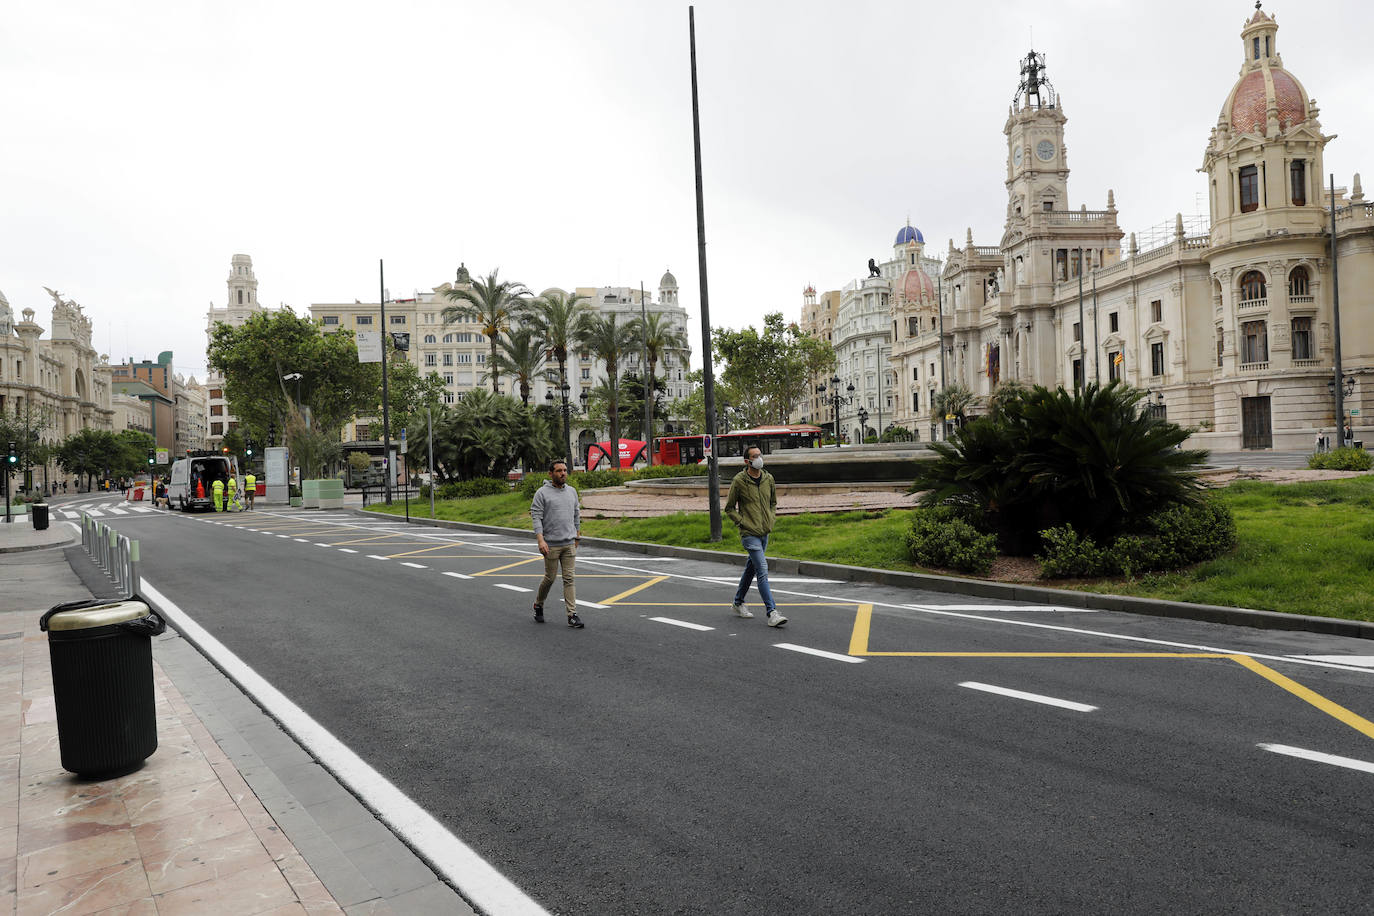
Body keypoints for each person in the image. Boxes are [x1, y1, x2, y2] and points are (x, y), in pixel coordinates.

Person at [724, 445, 786, 627]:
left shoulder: (768, 478)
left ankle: (738, 602)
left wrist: (771, 518)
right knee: (762, 570)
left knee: (751, 568)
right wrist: (742, 522)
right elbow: (729, 508)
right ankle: (772, 612)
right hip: (749, 533)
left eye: (760, 455)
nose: (759, 458)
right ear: (747, 461)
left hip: (764, 532)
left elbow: (773, 502)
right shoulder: (739, 481)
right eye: (755, 456)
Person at [530, 459, 583, 628]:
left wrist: (577, 535)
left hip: (569, 543)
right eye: (559, 470)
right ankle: (539, 604)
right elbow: (536, 517)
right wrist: (541, 540)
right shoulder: (542, 493)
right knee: (550, 578)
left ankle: (572, 615)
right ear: (551, 473)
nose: (563, 473)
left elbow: (576, 514)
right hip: (550, 544)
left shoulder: (572, 492)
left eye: (565, 470)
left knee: (569, 579)